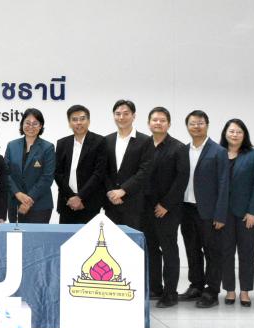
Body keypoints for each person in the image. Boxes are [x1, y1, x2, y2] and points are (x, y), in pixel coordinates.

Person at [179, 110, 230, 308]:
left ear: (207, 125)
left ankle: (212, 291)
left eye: (200, 123)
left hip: (209, 211)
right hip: (186, 209)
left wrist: (220, 214)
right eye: (192, 123)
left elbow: (224, 184)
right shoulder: (183, 150)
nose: (196, 126)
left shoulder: (218, 151)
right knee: (192, 250)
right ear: (187, 126)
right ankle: (196, 285)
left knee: (212, 252)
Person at [143, 107, 188, 308]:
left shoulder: (178, 148)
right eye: (154, 120)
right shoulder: (143, 145)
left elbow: (181, 180)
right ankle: (155, 288)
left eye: (162, 120)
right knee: (151, 248)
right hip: (146, 207)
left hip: (168, 209)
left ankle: (170, 293)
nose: (158, 123)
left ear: (168, 124)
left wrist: (166, 205)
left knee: (169, 250)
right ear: (149, 123)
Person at [219, 119, 254, 308]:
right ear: (225, 133)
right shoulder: (218, 153)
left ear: (244, 135)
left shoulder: (253, 155)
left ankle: (245, 291)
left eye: (239, 131)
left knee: (246, 252)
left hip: (247, 213)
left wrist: (253, 211)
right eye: (231, 131)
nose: (235, 135)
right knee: (226, 252)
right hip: (223, 213)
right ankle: (229, 290)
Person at [103, 100, 154, 230]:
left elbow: (145, 171)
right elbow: (103, 170)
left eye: (126, 113)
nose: (121, 117)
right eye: (118, 114)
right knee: (111, 240)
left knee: (132, 241)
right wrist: (110, 192)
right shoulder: (107, 140)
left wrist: (123, 190)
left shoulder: (145, 141)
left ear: (133, 116)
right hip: (111, 203)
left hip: (134, 203)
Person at [54, 105, 107, 225]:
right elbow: (58, 173)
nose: (79, 122)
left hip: (89, 202)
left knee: (89, 237)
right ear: (69, 123)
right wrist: (71, 197)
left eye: (82, 119)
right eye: (74, 119)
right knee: (66, 236)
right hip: (67, 202)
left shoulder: (100, 141)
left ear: (88, 121)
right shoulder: (62, 143)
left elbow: (99, 173)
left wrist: (80, 197)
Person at [4, 108, 56, 224]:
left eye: (35, 123)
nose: (31, 126)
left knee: (36, 236)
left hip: (39, 205)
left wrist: (29, 199)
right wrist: (18, 194)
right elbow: (5, 173)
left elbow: (47, 177)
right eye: (27, 123)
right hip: (15, 203)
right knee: (15, 235)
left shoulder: (48, 147)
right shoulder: (12, 145)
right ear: (22, 124)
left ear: (40, 126)